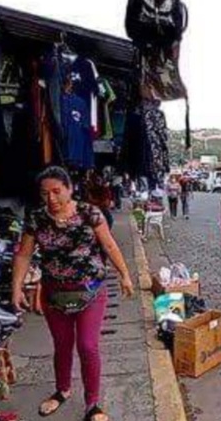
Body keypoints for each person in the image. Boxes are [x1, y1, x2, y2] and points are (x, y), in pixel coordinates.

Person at [12, 166, 136, 421]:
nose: (52, 199)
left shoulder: (90, 213)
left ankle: (92, 404)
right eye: (45, 193)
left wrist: (124, 275)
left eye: (57, 191)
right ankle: (62, 390)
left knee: (88, 346)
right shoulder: (36, 218)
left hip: (90, 290)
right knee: (62, 345)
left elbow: (109, 244)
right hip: (54, 294)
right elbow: (23, 254)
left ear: (69, 189)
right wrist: (16, 288)